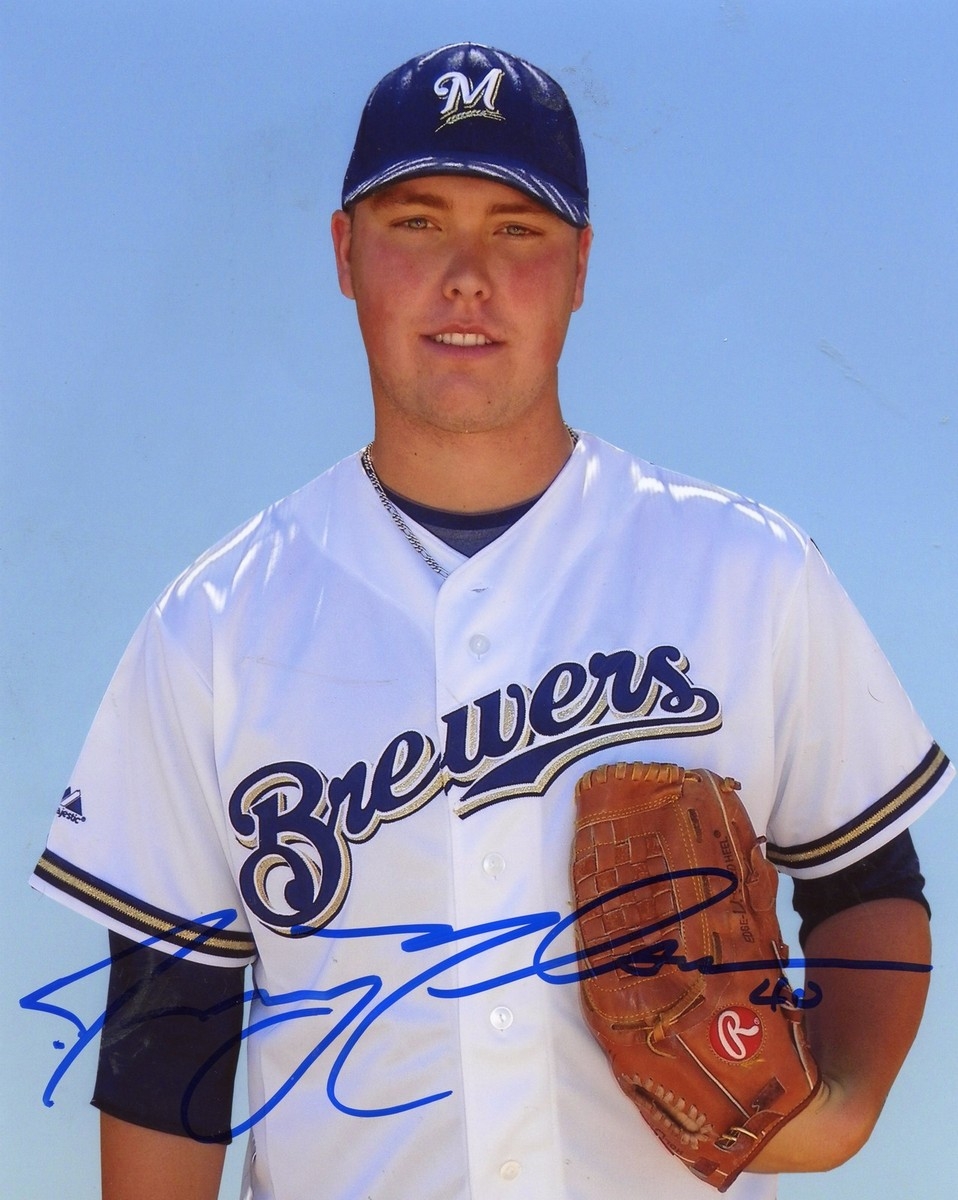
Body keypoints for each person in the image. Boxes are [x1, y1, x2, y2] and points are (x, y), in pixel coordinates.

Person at [32, 42, 951, 1200]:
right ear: (344, 253)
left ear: (579, 267)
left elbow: (864, 882)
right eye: (417, 223)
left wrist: (843, 1112)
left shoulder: (746, 574)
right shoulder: (212, 628)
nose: (466, 276)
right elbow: (172, 1031)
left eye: (516, 229)